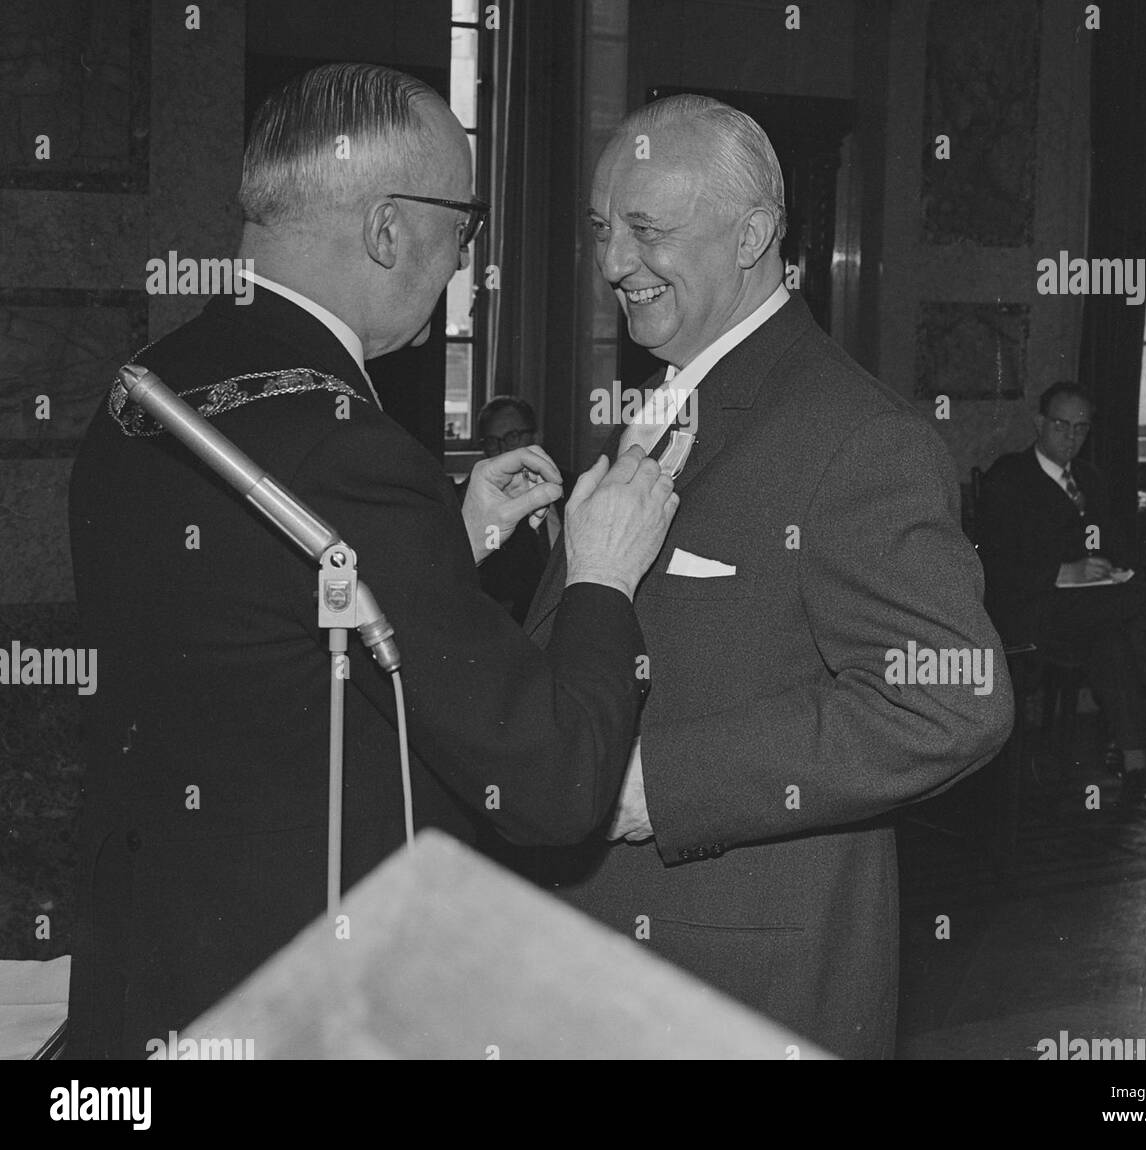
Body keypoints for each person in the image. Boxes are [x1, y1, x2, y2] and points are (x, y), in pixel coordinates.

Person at [66, 63, 677, 1059]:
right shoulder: (350, 449)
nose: (464, 261)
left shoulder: (147, 389)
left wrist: (445, 536)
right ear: (389, 229)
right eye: (464, 226)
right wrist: (603, 573)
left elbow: (249, 622)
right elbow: (552, 781)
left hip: (151, 975)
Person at [522, 94, 1012, 1059]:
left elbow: (955, 698)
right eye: (601, 228)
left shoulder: (855, 437)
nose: (614, 262)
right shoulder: (669, 398)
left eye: (646, 229)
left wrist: (651, 787)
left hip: (738, 991)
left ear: (752, 234)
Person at [974, 381, 1146, 817]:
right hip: (1031, 614)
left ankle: (1137, 770)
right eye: (1062, 425)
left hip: (1088, 615)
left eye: (1082, 428)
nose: (1072, 437)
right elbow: (992, 565)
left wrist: (1117, 569)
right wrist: (1063, 573)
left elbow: (1117, 543)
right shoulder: (1009, 478)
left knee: (1115, 640)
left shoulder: (1091, 479)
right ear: (1040, 423)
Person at [473, 395, 560, 622]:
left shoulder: (573, 486)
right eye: (492, 441)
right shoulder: (476, 506)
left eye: (512, 437)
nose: (503, 450)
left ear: (536, 437)